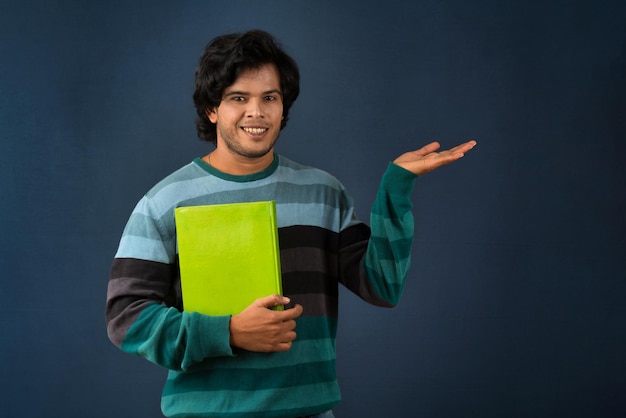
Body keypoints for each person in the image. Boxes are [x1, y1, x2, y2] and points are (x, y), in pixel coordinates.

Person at [105, 29, 476, 418]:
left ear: (284, 108)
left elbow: (382, 286)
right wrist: (228, 331)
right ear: (211, 110)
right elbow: (126, 317)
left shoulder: (322, 192)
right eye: (238, 98)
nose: (257, 112)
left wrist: (395, 188)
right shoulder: (163, 201)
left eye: (270, 97)